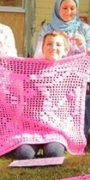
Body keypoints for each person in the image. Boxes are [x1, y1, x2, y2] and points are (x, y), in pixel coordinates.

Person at [35, 0, 90, 137]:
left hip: (77, 77)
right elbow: (38, 56)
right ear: (57, 8)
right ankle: (52, 133)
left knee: (83, 92)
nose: (68, 12)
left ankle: (80, 135)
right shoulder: (47, 29)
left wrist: (83, 47)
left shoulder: (85, 29)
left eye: (72, 8)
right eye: (64, 8)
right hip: (52, 76)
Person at [12, 31, 72, 160]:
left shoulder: (70, 72)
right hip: (31, 127)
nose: (53, 47)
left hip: (55, 128)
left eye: (58, 45)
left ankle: (53, 145)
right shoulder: (30, 70)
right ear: (43, 48)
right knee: (24, 155)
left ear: (65, 50)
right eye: (49, 44)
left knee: (53, 154)